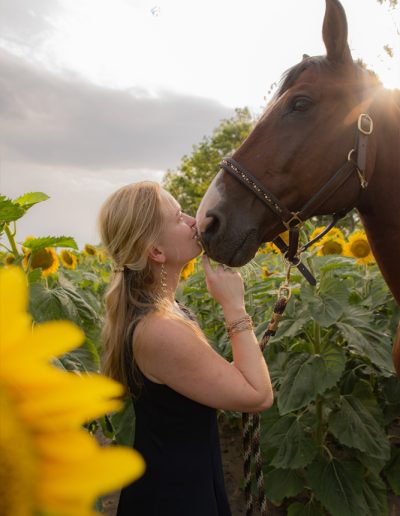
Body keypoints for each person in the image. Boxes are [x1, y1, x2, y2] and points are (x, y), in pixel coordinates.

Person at [98, 181, 274, 516]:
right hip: (177, 497)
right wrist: (235, 308)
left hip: (178, 480)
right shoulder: (160, 330)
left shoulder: (165, 312)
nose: (195, 221)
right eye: (179, 217)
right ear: (156, 252)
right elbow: (257, 395)